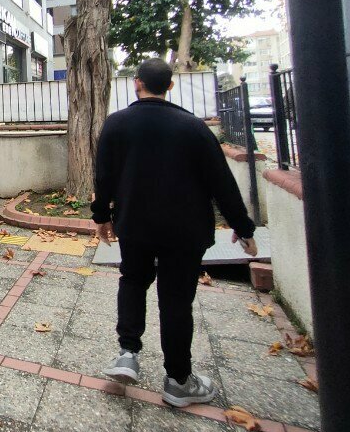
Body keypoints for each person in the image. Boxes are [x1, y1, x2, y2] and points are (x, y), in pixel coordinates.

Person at [93, 58, 258, 408]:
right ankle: (179, 380)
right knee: (176, 300)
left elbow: (103, 177)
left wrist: (101, 217)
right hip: (185, 230)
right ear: (170, 86)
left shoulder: (117, 124)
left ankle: (127, 353)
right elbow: (222, 183)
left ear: (136, 83)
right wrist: (242, 227)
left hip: (134, 225)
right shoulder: (193, 128)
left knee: (133, 280)